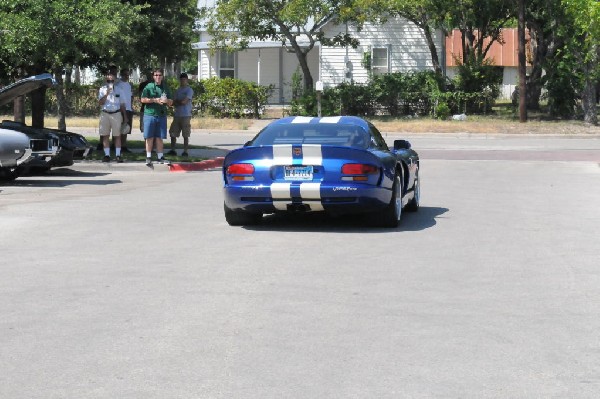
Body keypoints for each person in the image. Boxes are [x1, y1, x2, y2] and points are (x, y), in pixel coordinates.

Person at [140, 68, 173, 165]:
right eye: (156, 75)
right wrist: (154, 100)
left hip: (161, 115)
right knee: (149, 136)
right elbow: (142, 99)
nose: (158, 77)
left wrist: (167, 101)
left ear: (162, 76)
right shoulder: (148, 87)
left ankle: (160, 157)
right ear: (153, 77)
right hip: (150, 114)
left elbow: (171, 102)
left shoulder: (165, 87)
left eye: (160, 75)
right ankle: (148, 157)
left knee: (159, 137)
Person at [98, 72, 126, 163]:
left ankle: (118, 155)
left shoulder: (120, 90)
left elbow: (122, 104)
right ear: (106, 81)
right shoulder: (102, 89)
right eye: (108, 80)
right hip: (105, 113)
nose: (110, 82)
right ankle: (107, 155)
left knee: (117, 135)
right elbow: (100, 103)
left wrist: (125, 116)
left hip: (116, 113)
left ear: (115, 81)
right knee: (105, 135)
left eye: (112, 80)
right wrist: (106, 94)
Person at [168, 73, 194, 157]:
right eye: (181, 80)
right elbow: (173, 102)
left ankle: (185, 151)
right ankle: (173, 150)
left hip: (186, 115)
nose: (183, 81)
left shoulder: (189, 90)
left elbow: (184, 102)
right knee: (173, 132)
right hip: (177, 114)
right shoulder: (177, 90)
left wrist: (177, 102)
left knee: (185, 134)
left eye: (184, 79)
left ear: (187, 80)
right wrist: (177, 102)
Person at [119, 68, 133, 152]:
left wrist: (131, 106)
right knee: (119, 129)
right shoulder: (118, 84)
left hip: (128, 109)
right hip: (121, 108)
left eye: (128, 75)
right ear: (121, 75)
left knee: (126, 128)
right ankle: (118, 146)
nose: (126, 76)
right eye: (125, 75)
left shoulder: (129, 84)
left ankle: (124, 146)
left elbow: (131, 96)